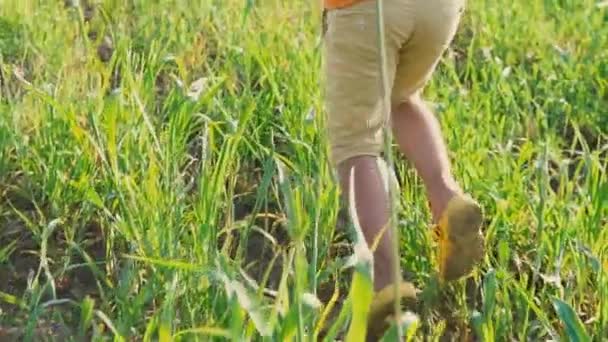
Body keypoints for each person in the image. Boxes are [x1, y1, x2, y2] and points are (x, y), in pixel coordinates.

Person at [321, 0, 486, 334]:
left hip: (370, 10)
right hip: (439, 9)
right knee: (403, 98)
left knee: (356, 146)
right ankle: (447, 198)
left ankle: (384, 280)